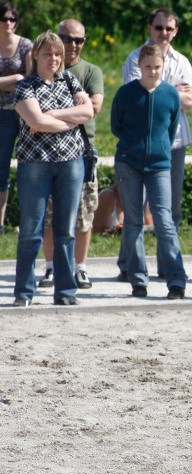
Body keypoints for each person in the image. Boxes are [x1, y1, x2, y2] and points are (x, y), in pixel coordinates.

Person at [12, 31, 93, 307]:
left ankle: (66, 291)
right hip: (35, 164)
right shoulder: (25, 86)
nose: (54, 59)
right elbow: (36, 121)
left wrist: (51, 116)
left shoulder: (70, 80)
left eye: (58, 54)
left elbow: (88, 112)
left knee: (66, 230)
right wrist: (64, 119)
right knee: (31, 230)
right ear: (36, 55)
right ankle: (23, 292)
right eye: (48, 54)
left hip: (71, 163)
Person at [117, 7, 192, 281]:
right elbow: (137, 95)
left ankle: (166, 267)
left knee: (170, 211)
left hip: (174, 144)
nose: (164, 33)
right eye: (159, 27)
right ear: (149, 28)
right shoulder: (134, 58)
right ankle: (128, 265)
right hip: (137, 146)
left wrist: (160, 88)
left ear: (175, 31)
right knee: (133, 210)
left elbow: (189, 101)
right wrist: (172, 90)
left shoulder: (183, 61)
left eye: (169, 28)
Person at [110, 44, 186, 299]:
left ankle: (176, 280)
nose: (152, 71)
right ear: (138, 67)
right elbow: (116, 126)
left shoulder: (171, 95)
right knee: (133, 222)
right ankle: (138, 279)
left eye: (157, 67)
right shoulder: (126, 93)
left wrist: (157, 148)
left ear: (163, 67)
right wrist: (136, 146)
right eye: (147, 67)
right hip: (129, 163)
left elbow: (172, 126)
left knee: (164, 221)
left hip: (160, 165)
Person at [37, 19, 104, 290]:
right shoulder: (46, 69)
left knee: (84, 213)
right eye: (66, 38)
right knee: (50, 215)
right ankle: (51, 268)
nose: (72, 45)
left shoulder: (91, 70)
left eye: (78, 40)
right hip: (47, 151)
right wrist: (74, 108)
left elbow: (94, 107)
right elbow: (35, 111)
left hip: (84, 150)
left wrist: (51, 114)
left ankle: (81, 268)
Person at [0, 2, 31, 233]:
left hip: (23, 112)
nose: (8, 23)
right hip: (2, 115)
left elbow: (29, 80)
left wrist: (17, 80)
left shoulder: (26, 45)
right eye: (4, 19)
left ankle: (27, 221)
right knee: (1, 168)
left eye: (12, 19)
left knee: (28, 167)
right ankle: (0, 224)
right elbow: (21, 78)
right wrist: (16, 77)